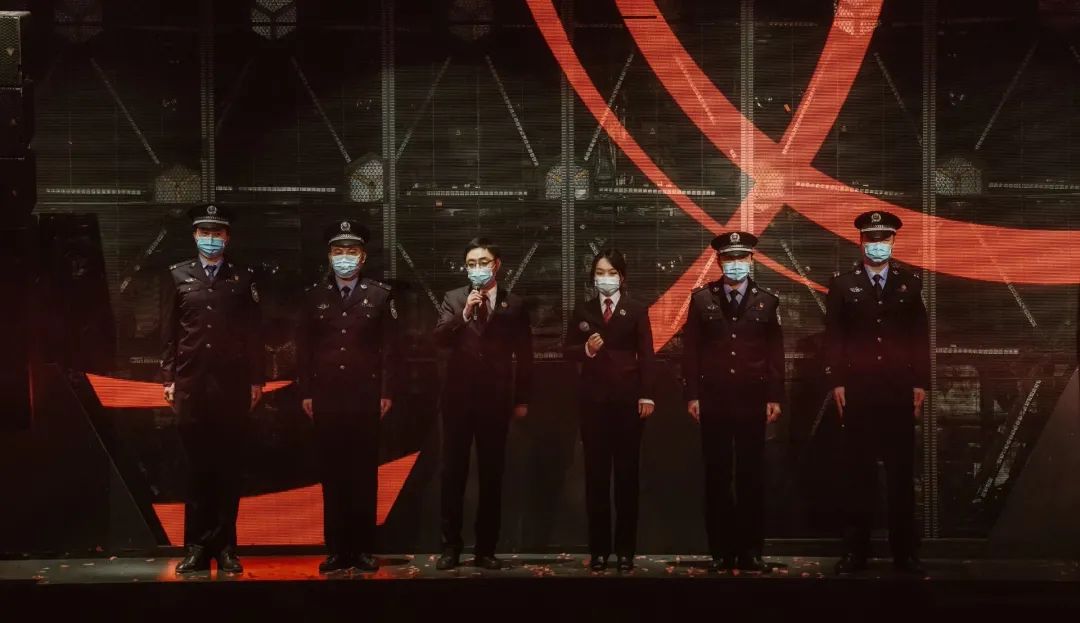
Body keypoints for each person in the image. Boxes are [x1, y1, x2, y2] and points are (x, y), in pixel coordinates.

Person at [161, 203, 263, 574]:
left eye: (216, 232)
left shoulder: (243, 278)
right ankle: (197, 548)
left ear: (227, 237)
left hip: (231, 387)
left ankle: (226, 547)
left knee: (228, 469)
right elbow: (169, 332)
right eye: (204, 232)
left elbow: (254, 334)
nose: (210, 238)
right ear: (194, 235)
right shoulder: (178, 275)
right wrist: (168, 378)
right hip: (191, 385)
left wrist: (256, 380)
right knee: (196, 470)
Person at [825, 210, 929, 575]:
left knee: (902, 475)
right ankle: (856, 551)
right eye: (871, 239)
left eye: (884, 239)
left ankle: (905, 553)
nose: (877, 245)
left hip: (898, 389)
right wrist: (837, 382)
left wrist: (920, 382)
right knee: (859, 474)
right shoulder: (843, 285)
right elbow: (834, 338)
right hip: (859, 390)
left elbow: (919, 337)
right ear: (861, 242)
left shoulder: (909, 284)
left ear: (893, 242)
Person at [296, 220, 400, 573]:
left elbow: (390, 349)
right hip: (325, 397)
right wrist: (306, 392)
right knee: (333, 475)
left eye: (351, 251)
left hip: (365, 397)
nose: (345, 257)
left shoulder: (379, 295)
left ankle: (363, 549)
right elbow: (304, 349)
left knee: (363, 475)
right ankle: (337, 550)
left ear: (363, 256)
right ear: (329, 256)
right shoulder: (313, 296)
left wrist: (386, 391)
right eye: (338, 251)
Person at [681, 231, 783, 573]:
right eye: (729, 258)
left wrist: (775, 396)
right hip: (714, 400)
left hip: (753, 400)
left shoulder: (767, 301)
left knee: (752, 477)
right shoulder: (702, 300)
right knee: (717, 476)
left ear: (751, 260)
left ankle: (751, 551)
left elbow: (775, 354)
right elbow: (691, 352)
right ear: (719, 261)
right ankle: (721, 552)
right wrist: (692, 394)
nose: (735, 264)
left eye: (741, 258)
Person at [432, 237, 533, 570]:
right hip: (457, 399)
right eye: (471, 263)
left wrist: (522, 398)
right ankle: (450, 546)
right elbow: (439, 338)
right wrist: (464, 314)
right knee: (453, 473)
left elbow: (526, 356)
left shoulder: (513, 304)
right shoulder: (453, 299)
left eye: (483, 262)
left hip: (496, 400)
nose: (477, 268)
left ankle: (486, 549)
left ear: (496, 265)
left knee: (492, 475)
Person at [564, 248, 657, 572]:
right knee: (596, 478)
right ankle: (600, 550)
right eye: (600, 273)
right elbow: (567, 350)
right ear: (593, 277)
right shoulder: (583, 310)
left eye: (611, 273)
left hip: (628, 403)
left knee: (627, 478)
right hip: (593, 403)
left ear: (622, 277)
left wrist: (647, 395)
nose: (606, 278)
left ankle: (625, 551)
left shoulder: (636, 309)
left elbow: (647, 355)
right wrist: (586, 349)